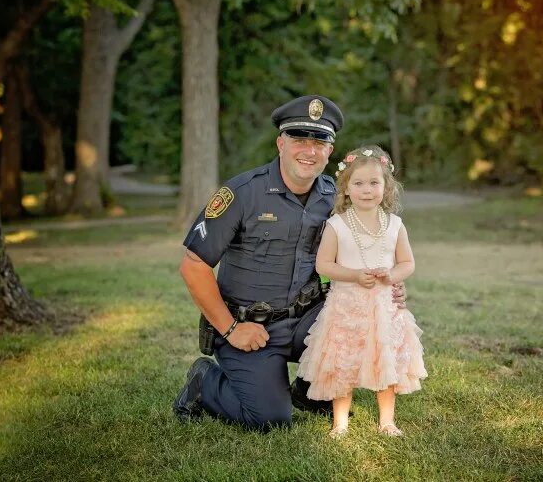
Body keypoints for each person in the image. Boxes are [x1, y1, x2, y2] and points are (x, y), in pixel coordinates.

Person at [173, 96, 406, 431]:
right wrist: (231, 329)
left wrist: (390, 285)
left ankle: (309, 391)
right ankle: (204, 381)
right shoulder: (242, 193)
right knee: (269, 419)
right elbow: (193, 264)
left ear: (330, 150)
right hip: (251, 325)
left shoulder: (335, 198)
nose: (309, 151)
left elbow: (367, 251)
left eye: (319, 142)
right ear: (281, 143)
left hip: (310, 318)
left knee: (366, 325)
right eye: (299, 140)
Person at [297, 145, 427, 438]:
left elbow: (407, 262)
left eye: (374, 183)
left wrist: (391, 274)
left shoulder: (394, 225)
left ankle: (387, 421)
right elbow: (323, 264)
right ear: (345, 188)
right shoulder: (337, 225)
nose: (366, 190)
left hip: (384, 308)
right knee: (343, 363)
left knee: (385, 360)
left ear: (386, 186)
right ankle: (340, 422)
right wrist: (355, 275)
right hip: (346, 307)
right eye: (358, 183)